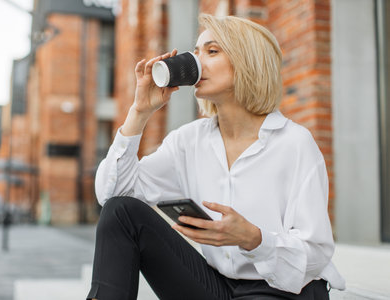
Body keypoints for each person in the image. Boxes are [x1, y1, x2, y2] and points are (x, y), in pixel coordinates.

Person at [87, 14, 345, 300]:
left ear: (248, 61)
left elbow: (316, 253)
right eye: (196, 52)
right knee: (121, 212)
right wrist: (139, 112)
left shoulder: (294, 143)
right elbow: (112, 194)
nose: (196, 63)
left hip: (286, 291)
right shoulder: (188, 140)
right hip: (217, 286)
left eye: (212, 51)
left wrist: (254, 239)